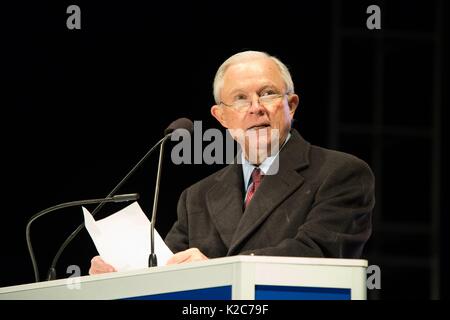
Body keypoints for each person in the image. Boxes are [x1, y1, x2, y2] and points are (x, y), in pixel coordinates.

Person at [89, 50, 375, 275]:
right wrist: (121, 272)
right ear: (221, 117)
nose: (255, 108)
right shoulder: (196, 197)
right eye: (239, 99)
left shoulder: (340, 173)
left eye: (267, 93)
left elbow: (316, 253)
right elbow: (169, 269)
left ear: (292, 104)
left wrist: (212, 269)